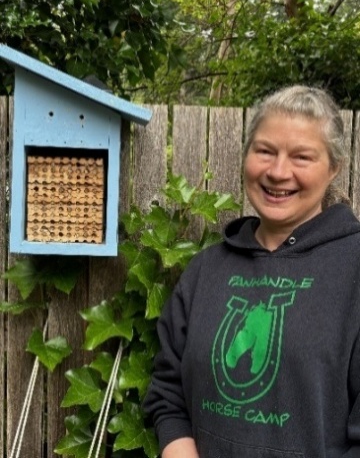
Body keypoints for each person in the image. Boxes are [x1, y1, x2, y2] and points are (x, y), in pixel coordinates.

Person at [143, 85, 360, 458]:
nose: (278, 172)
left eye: (302, 157)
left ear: (334, 167)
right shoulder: (205, 270)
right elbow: (168, 391)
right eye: (264, 151)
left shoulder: (354, 270)